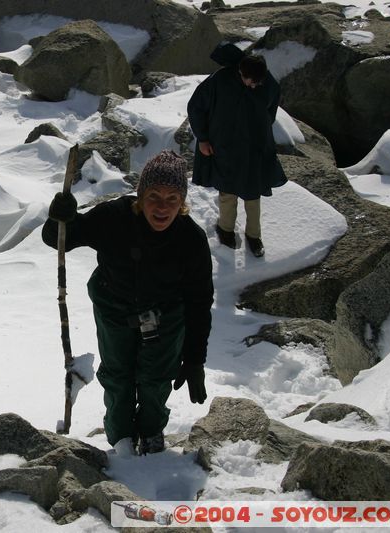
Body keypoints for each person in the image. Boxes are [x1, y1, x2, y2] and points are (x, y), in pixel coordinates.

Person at [42, 150, 214, 456]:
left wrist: (195, 357)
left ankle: (151, 434)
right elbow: (61, 239)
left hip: (166, 318)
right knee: (118, 378)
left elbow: (200, 302)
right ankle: (121, 441)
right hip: (114, 311)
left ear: (182, 202)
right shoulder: (115, 217)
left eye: (172, 198)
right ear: (141, 195)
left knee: (156, 379)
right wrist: (59, 217)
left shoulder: (191, 239)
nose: (162, 207)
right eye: (154, 196)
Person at [187, 43, 287, 258]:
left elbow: (270, 113)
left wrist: (258, 129)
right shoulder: (219, 81)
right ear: (241, 72)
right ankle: (225, 229)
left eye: (257, 83)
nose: (253, 86)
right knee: (228, 191)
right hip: (224, 147)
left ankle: (254, 236)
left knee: (253, 194)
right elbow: (196, 107)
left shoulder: (267, 83)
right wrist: (203, 139)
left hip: (254, 149)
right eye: (250, 81)